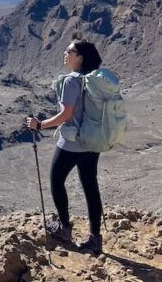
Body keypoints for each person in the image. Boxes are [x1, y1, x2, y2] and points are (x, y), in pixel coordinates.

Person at [25, 38, 105, 255]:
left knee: (56, 181)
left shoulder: (71, 81)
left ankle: (64, 228)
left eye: (69, 50)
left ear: (79, 57)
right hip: (92, 142)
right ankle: (95, 238)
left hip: (71, 143)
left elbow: (66, 115)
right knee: (90, 187)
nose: (65, 52)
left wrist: (39, 124)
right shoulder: (94, 79)